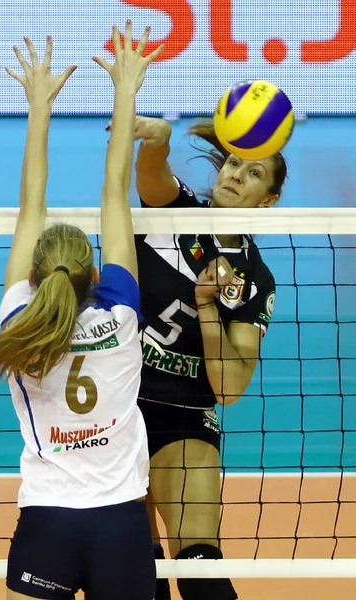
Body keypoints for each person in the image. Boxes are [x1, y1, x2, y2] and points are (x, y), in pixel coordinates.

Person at [0, 24, 163, 600]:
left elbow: (30, 200)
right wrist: (126, 88)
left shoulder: (19, 323)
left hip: (48, 526)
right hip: (122, 526)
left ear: (34, 277)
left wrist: (38, 106)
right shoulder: (123, 316)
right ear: (96, 276)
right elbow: (115, 192)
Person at [132, 116, 287, 600]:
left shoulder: (255, 282)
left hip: (185, 415)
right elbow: (150, 174)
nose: (237, 174)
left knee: (200, 570)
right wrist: (156, 143)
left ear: (269, 201)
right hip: (117, 409)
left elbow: (230, 389)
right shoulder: (173, 212)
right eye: (235, 163)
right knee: (134, 571)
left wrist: (209, 305)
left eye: (254, 173)